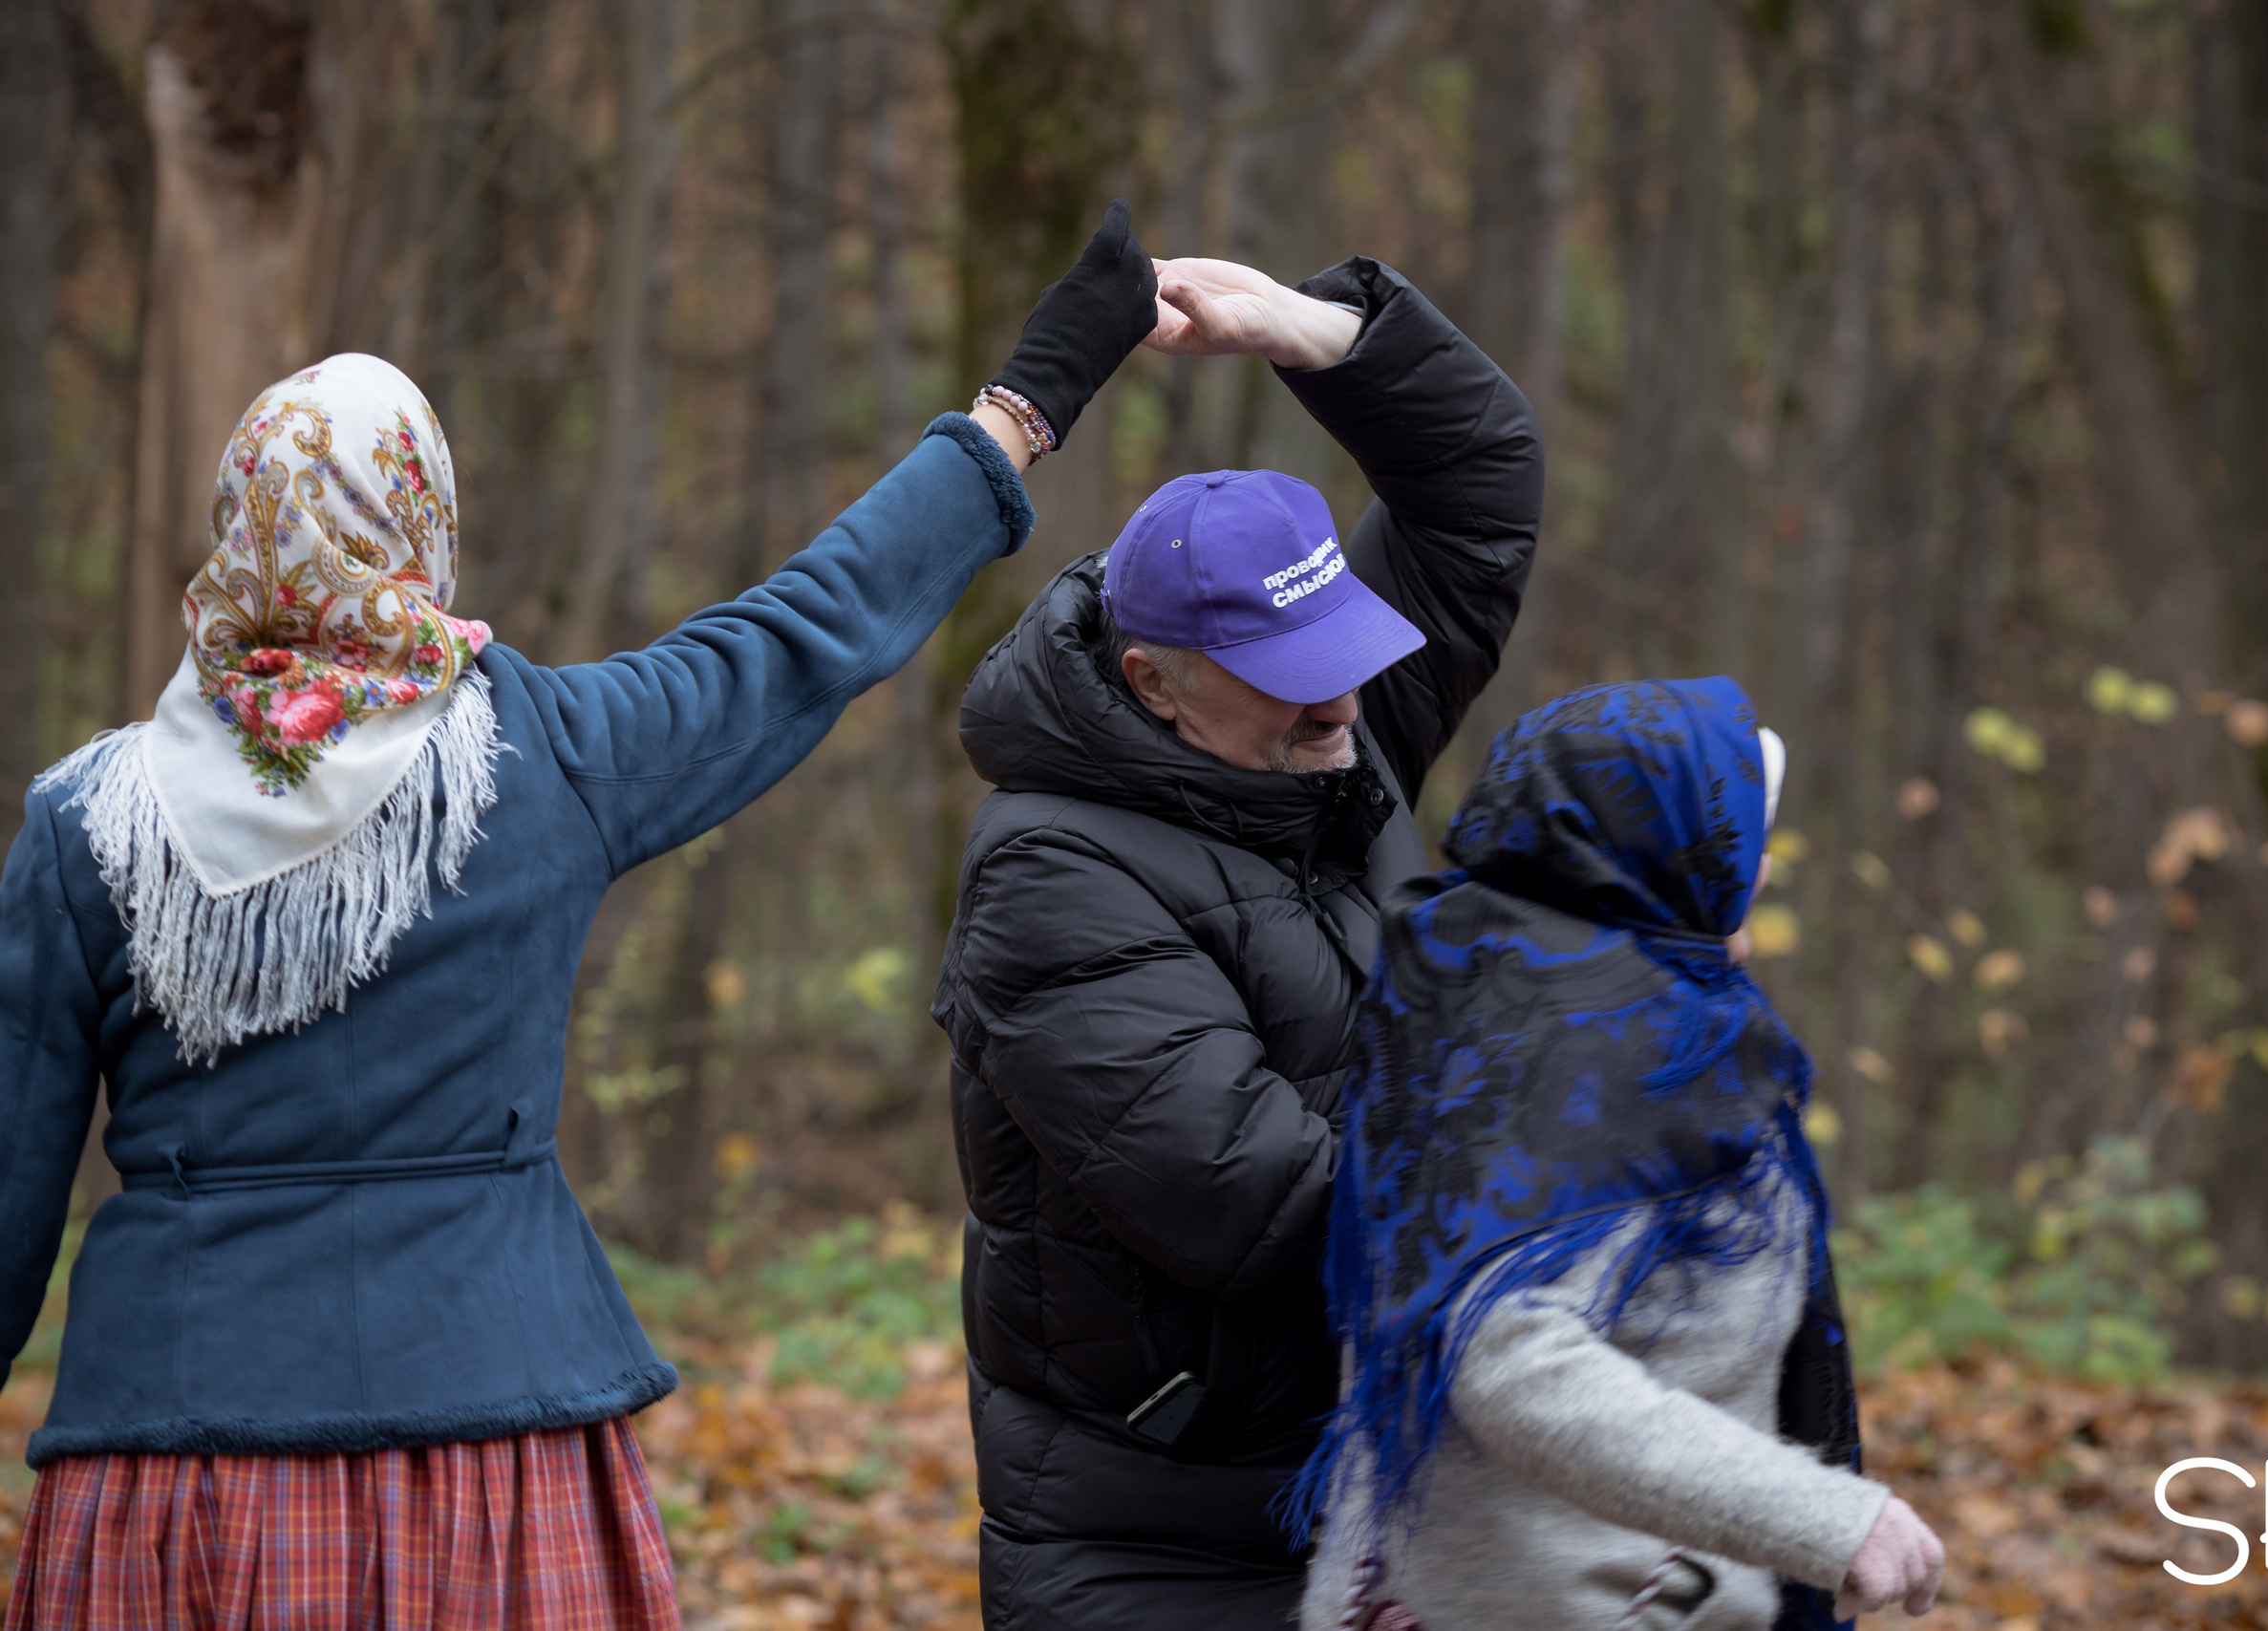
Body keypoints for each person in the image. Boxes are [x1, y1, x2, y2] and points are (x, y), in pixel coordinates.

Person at [0, 204, 1160, 1628]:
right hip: (491, 1441)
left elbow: (8, 1194)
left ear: (242, 526)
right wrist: (1018, 409)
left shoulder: (87, 821)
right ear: (425, 522)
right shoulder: (542, 754)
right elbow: (804, 630)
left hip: (173, 1457)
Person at [931, 252, 1542, 1629]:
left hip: (1376, 1486)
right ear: (1151, 679)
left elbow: (1481, 485)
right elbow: (1270, 1200)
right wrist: (1580, 1143)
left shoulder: (1333, 725)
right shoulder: (1050, 868)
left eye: (1346, 656)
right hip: (1171, 1535)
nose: (1342, 710)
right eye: (1291, 686)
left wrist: (1317, 331)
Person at [1290, 679, 1947, 1631]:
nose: (1757, 870)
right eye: (1737, 837)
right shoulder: (1599, 1063)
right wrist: (1834, 1520)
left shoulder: (1501, 994)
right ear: (1659, 855)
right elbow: (1511, 1360)